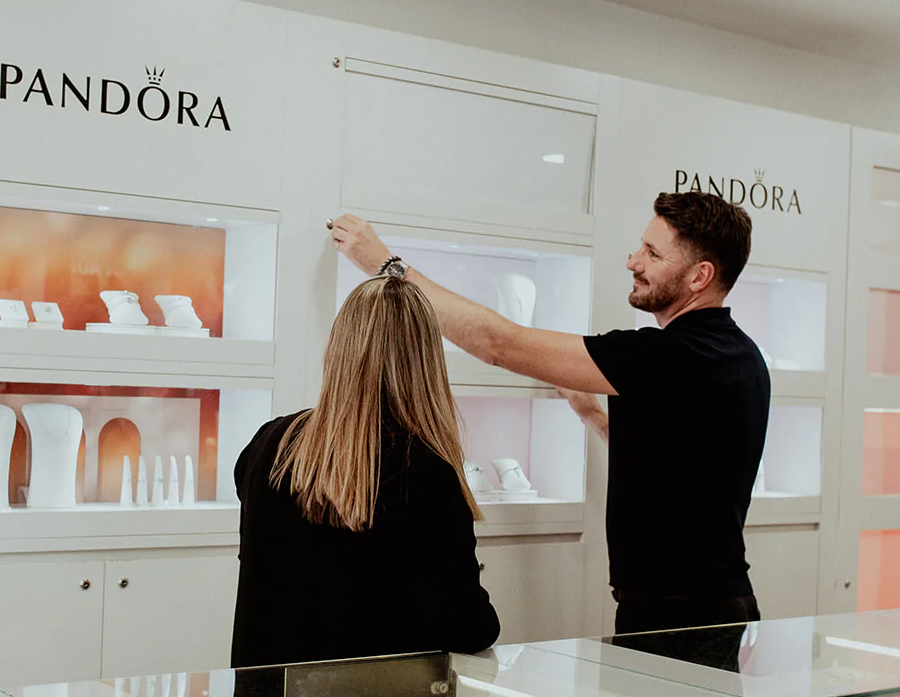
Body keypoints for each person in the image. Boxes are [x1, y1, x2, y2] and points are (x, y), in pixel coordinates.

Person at [331, 191, 769, 633]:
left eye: (653, 254)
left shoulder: (672, 355)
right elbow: (680, 458)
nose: (633, 261)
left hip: (681, 617)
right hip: (710, 603)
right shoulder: (741, 354)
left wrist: (387, 267)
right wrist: (594, 416)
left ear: (700, 276)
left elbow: (499, 344)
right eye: (640, 246)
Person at [229, 273, 501, 667]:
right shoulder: (425, 470)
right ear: (426, 362)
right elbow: (468, 626)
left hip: (265, 695)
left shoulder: (270, 443)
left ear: (338, 347)